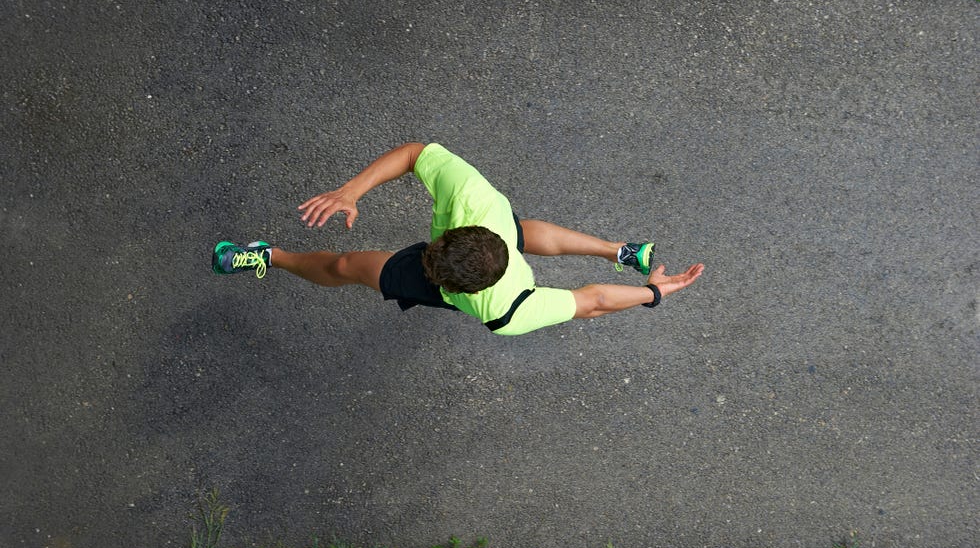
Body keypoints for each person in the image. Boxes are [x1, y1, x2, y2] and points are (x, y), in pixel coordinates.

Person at [212, 142, 703, 336]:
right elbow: (414, 153)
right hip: (495, 235)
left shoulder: (506, 312)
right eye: (433, 256)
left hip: (495, 273)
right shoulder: (476, 201)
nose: (425, 259)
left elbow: (592, 301)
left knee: (347, 268)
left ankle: (268, 257)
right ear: (465, 232)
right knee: (519, 228)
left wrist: (657, 292)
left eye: (433, 267)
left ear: (461, 290)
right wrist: (350, 191)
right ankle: (619, 250)